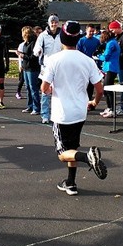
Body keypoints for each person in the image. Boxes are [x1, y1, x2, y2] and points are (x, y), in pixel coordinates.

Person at [40, 20, 107, 196]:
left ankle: (87, 158)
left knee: (62, 154)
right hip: (80, 111)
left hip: (62, 113)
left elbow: (44, 88)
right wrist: (94, 102)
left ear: (62, 38)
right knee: (72, 148)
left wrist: (53, 89)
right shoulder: (87, 61)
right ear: (78, 38)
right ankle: (71, 183)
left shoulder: (53, 60)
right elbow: (100, 89)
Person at [34, 14, 62, 124]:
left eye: (55, 22)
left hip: (60, 66)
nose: (54, 24)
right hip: (47, 67)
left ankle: (58, 114)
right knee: (45, 91)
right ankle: (45, 115)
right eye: (52, 22)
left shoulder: (62, 34)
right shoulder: (43, 35)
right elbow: (37, 47)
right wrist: (38, 51)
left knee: (59, 91)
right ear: (49, 23)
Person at [98, 29, 120, 118]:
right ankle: (109, 107)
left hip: (111, 68)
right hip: (111, 68)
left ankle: (112, 109)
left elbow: (106, 57)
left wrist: (98, 56)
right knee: (106, 89)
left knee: (108, 89)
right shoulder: (113, 42)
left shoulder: (110, 44)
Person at [19, 25, 41, 115]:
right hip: (26, 68)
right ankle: (30, 106)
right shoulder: (25, 43)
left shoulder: (33, 43)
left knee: (33, 88)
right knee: (28, 87)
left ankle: (36, 107)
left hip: (33, 68)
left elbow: (34, 56)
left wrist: (23, 56)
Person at [76, 23, 101, 103]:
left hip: (93, 64)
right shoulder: (81, 40)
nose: (91, 33)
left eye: (93, 31)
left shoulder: (96, 41)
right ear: (86, 31)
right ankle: (82, 99)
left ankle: (89, 99)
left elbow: (99, 51)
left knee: (91, 83)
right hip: (83, 64)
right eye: (90, 31)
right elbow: (78, 52)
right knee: (83, 82)